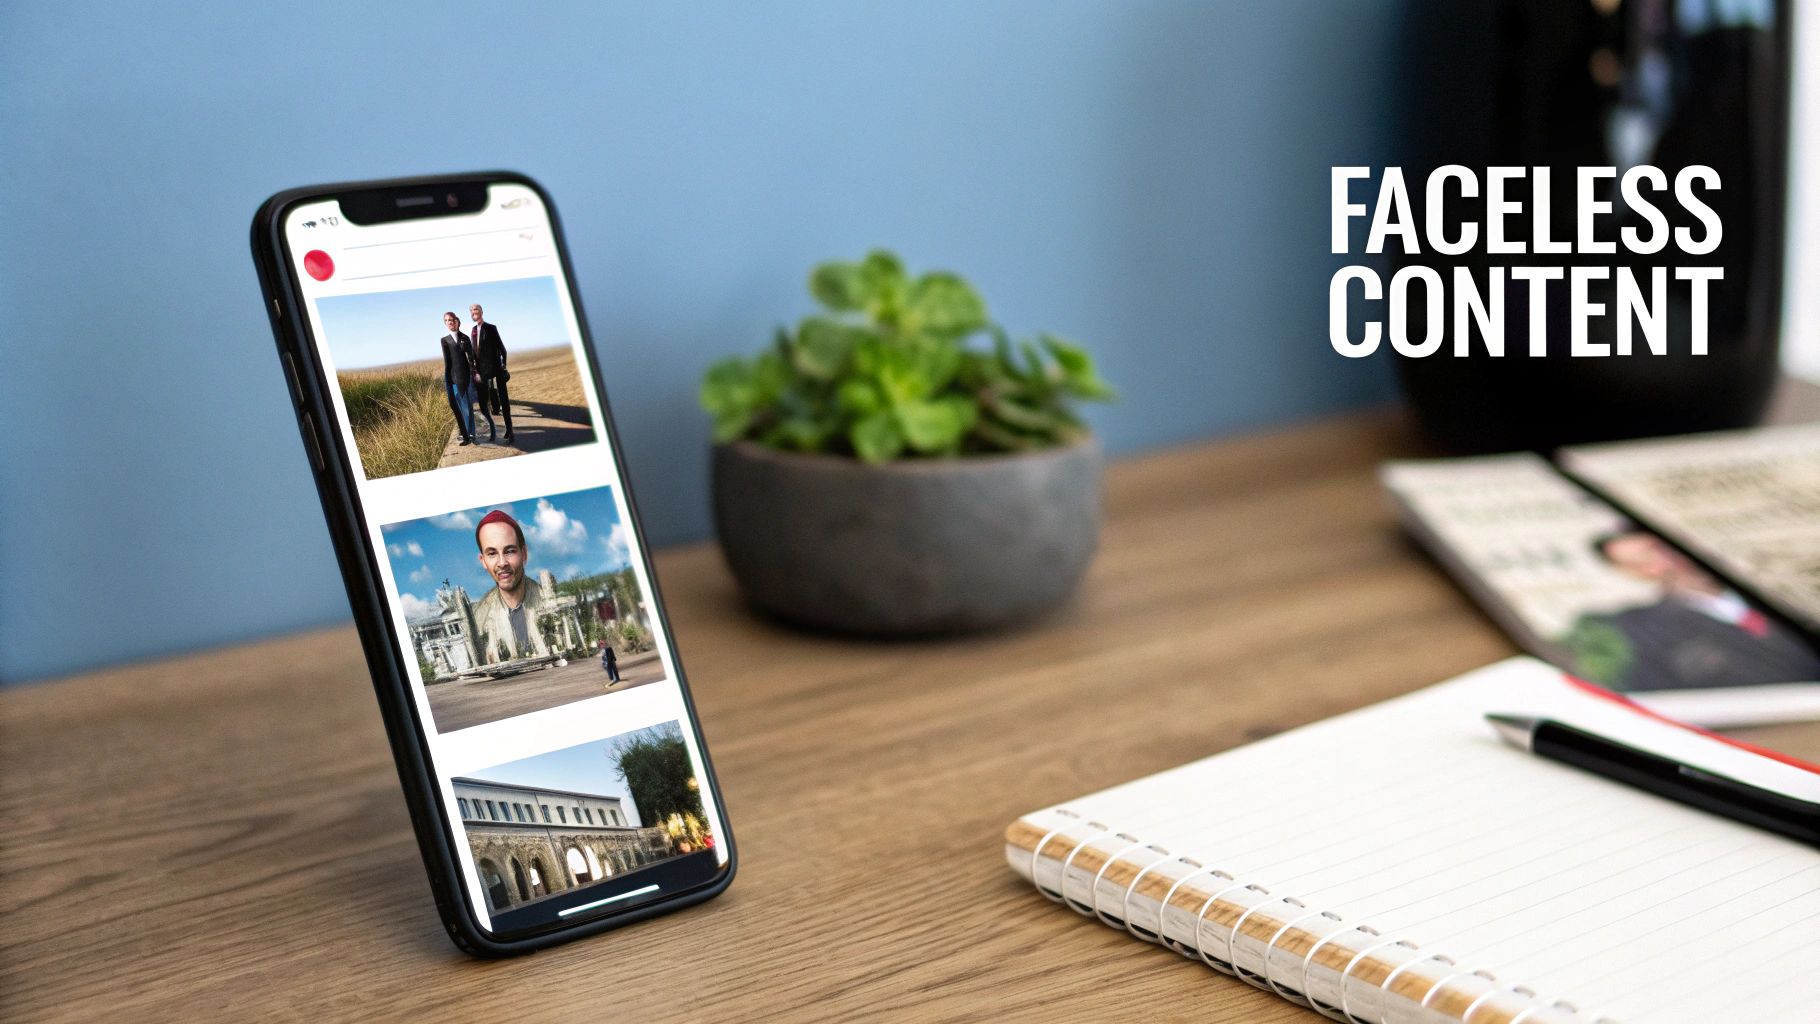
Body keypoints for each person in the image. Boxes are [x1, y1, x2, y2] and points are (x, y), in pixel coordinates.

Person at [1563, 529, 1820, 692]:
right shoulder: (1641, 630)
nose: (1668, 561)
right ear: (1637, 573)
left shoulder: (1786, 590)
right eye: (1643, 561)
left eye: (1661, 547)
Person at [469, 510, 561, 661]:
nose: (502, 563)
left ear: (524, 554)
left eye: (510, 551)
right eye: (492, 554)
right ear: (483, 561)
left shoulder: (549, 603)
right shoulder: (480, 618)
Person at [439, 313, 494, 446]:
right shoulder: (445, 340)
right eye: (446, 321)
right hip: (454, 380)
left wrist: (475, 372)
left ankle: (471, 435)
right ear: (445, 323)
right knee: (460, 408)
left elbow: (472, 359)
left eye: (451, 320)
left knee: (468, 407)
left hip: (467, 378)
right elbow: (448, 363)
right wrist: (447, 382)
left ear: (457, 321)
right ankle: (465, 435)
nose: (449, 322)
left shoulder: (465, 338)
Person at [470, 303, 513, 443]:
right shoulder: (473, 330)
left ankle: (510, 431)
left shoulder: (491, 328)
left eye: (476, 310)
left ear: (481, 312)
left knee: (504, 401)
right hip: (482, 372)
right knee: (483, 403)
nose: (473, 312)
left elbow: (502, 349)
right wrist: (475, 370)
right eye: (471, 311)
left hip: (496, 369)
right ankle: (493, 431)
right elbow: (474, 353)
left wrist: (503, 367)